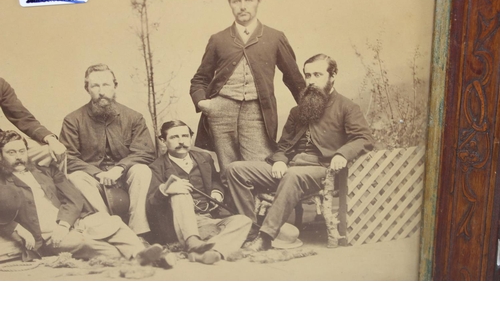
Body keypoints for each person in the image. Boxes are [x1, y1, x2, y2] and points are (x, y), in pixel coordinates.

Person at [226, 54, 375, 251]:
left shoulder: (347, 107)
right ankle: (251, 230)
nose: (311, 81)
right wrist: (279, 160)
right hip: (290, 167)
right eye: (308, 75)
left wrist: (342, 154)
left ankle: (265, 237)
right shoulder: (298, 111)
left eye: (317, 75)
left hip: (321, 170)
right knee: (235, 169)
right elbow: (283, 146)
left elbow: (364, 138)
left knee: (292, 175)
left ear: (333, 76)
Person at [190, 0, 306, 181]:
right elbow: (200, 79)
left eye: (248, 0)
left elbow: (294, 78)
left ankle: (261, 211)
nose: (242, 6)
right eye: (236, 1)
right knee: (228, 169)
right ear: (230, 3)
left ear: (259, 1)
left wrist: (309, 109)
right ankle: (238, 212)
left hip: (257, 111)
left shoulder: (274, 37)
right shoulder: (218, 39)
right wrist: (204, 103)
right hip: (220, 113)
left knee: (260, 167)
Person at [0, 130, 169, 266]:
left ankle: (140, 255)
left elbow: (73, 198)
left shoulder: (45, 170)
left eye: (22, 151)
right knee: (92, 245)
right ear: (1, 155)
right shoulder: (2, 181)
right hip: (47, 234)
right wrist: (18, 229)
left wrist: (64, 224)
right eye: (11, 152)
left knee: (113, 223)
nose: (18, 157)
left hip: (70, 221)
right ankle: (144, 257)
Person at [59, 64, 155, 237]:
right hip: (93, 181)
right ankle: (113, 229)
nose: (101, 91)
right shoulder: (73, 120)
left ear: (115, 86)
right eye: (95, 86)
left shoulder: (134, 117)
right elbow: (69, 157)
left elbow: (145, 152)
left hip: (124, 177)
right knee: (75, 177)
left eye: (106, 85)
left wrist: (120, 168)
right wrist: (97, 173)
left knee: (142, 170)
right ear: (87, 89)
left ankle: (138, 231)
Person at [146, 120, 252, 264]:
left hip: (207, 218)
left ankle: (212, 252)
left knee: (243, 220)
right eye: (174, 137)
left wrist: (217, 192)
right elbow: (151, 203)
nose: (181, 141)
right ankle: (193, 242)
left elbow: (216, 181)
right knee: (180, 190)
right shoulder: (156, 167)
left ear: (191, 138)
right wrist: (166, 190)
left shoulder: (204, 158)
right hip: (178, 224)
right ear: (163, 141)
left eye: (185, 136)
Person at [0, 77, 66, 161]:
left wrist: (50, 139)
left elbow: (21, 116)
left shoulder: (1, 84)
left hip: (1, 142)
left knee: (52, 151)